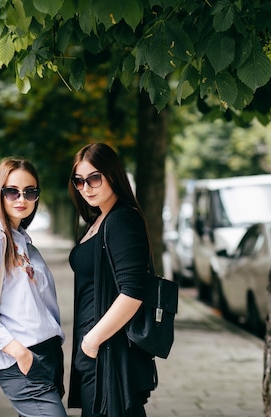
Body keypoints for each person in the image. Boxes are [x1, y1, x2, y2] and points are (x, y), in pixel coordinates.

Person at [0, 157, 67, 417]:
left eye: (30, 192)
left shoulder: (23, 240)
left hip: (46, 356)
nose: (22, 199)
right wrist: (20, 353)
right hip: (21, 361)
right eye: (12, 192)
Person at [67, 143, 158, 417]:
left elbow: (133, 291)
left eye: (94, 178)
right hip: (96, 352)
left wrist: (92, 341)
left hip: (108, 353)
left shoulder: (122, 219)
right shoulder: (98, 219)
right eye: (79, 181)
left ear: (112, 175)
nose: (86, 187)